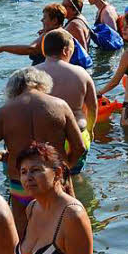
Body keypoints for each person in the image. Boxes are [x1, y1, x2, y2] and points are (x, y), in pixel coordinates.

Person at [0, 68, 85, 236]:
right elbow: (79, 147)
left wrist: (2, 156)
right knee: (69, 230)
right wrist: (64, 168)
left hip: (22, 184)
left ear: (14, 88)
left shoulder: (4, 112)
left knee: (25, 235)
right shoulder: (60, 105)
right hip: (56, 180)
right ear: (42, 83)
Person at [35, 29, 96, 173]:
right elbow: (92, 107)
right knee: (73, 177)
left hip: (45, 141)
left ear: (44, 51)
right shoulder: (81, 73)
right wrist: (91, 130)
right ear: (65, 50)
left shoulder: (32, 74)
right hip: (76, 138)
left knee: (50, 180)